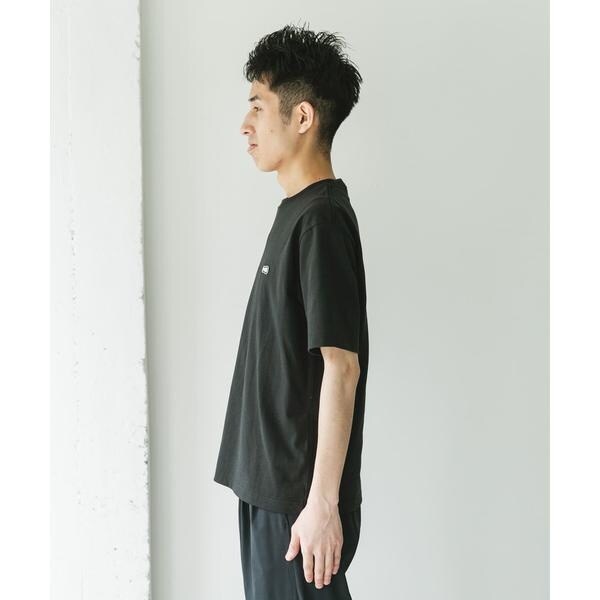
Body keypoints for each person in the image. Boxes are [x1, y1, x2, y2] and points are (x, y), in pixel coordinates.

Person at [213, 23, 369, 599]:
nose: (245, 124)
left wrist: (322, 503)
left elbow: (341, 367)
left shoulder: (321, 220)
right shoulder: (298, 213)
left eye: (258, 106)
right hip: (271, 492)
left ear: (302, 117)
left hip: (297, 505)